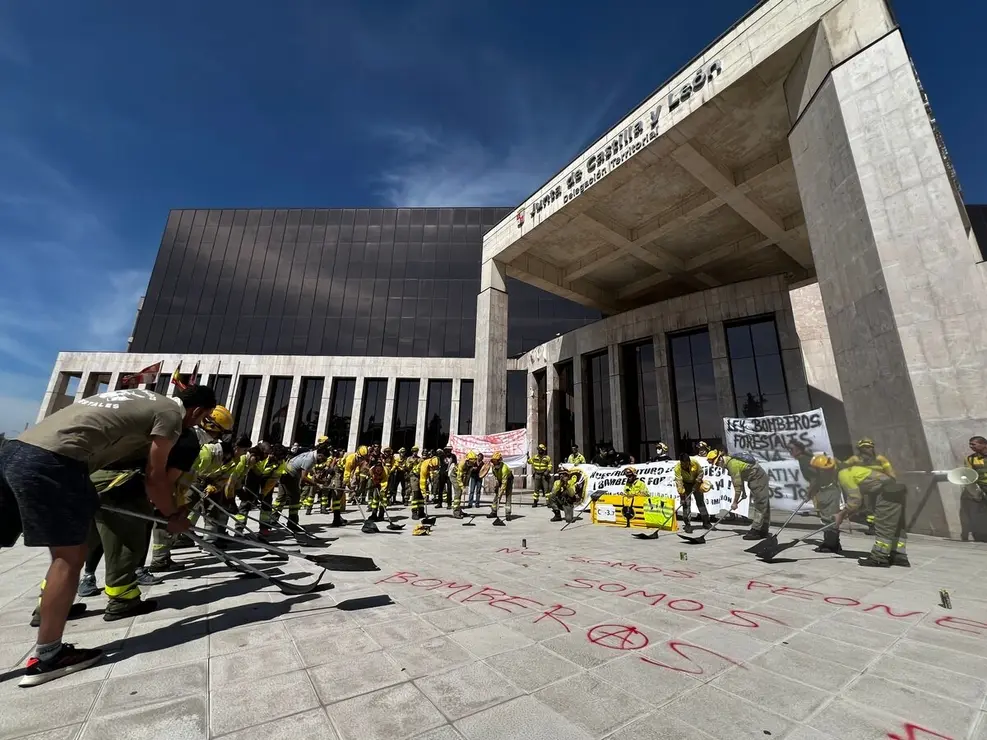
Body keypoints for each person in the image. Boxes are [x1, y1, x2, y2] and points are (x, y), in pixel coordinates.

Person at [0, 385, 213, 687]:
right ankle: (48, 656)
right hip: (55, 462)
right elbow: (155, 477)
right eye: (201, 418)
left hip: (13, 452)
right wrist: (173, 517)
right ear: (198, 410)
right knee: (69, 558)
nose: (197, 424)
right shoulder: (171, 415)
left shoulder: (142, 396)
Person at [836, 463, 909, 567]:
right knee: (897, 526)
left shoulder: (843, 475)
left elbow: (855, 500)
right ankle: (899, 556)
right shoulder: (855, 471)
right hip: (896, 491)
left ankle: (879, 558)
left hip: (886, 493)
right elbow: (860, 501)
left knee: (884, 526)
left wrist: (841, 514)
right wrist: (850, 512)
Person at [708, 449, 771, 540]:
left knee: (761, 505)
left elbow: (737, 487)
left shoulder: (732, 465)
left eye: (717, 463)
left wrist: (735, 502)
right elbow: (741, 479)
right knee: (764, 505)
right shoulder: (730, 462)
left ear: (720, 459)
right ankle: (763, 530)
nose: (717, 465)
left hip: (758, 478)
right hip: (754, 478)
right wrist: (744, 493)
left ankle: (756, 530)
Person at [844, 438, 896, 535]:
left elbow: (889, 471)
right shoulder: (855, 459)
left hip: (879, 486)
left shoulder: (880, 459)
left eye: (869, 447)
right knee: (869, 509)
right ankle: (872, 526)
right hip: (863, 488)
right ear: (860, 449)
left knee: (879, 507)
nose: (868, 449)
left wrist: (892, 482)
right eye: (865, 447)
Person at [280, 442, 329, 530]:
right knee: (295, 499)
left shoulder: (310, 455)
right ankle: (293, 524)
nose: (322, 461)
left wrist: (321, 482)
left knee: (281, 498)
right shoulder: (310, 459)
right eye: (323, 459)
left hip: (285, 472)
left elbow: (310, 474)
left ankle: (273, 520)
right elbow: (304, 477)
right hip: (290, 475)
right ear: (320, 455)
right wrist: (317, 485)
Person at [807, 454, 843, 553]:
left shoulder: (829, 472)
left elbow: (815, 481)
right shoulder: (828, 470)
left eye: (816, 469)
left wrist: (809, 493)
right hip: (827, 492)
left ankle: (831, 545)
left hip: (831, 493)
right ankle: (832, 543)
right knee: (827, 519)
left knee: (830, 520)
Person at [674, 451, 711, 533]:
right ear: (680, 462)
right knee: (686, 505)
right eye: (683, 464)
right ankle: (687, 524)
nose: (685, 466)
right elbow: (679, 483)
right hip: (685, 484)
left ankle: (706, 522)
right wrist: (682, 497)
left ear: (689, 461)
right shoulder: (677, 468)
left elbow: (701, 472)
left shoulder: (694, 462)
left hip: (696, 483)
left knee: (700, 503)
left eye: (686, 464)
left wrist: (696, 484)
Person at [961, 436, 987, 542]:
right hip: (982, 488)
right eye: (970, 444)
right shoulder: (970, 459)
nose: (970, 446)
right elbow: (969, 474)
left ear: (984, 444)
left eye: (973, 444)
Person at [486, 452, 514, 521]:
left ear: (499, 461)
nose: (494, 463)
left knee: (508, 496)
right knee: (496, 496)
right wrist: (497, 484)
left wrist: (501, 493)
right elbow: (495, 476)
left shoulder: (504, 469)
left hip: (508, 480)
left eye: (495, 461)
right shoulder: (493, 468)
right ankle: (494, 512)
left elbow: (504, 483)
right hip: (500, 479)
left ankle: (508, 514)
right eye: (493, 461)